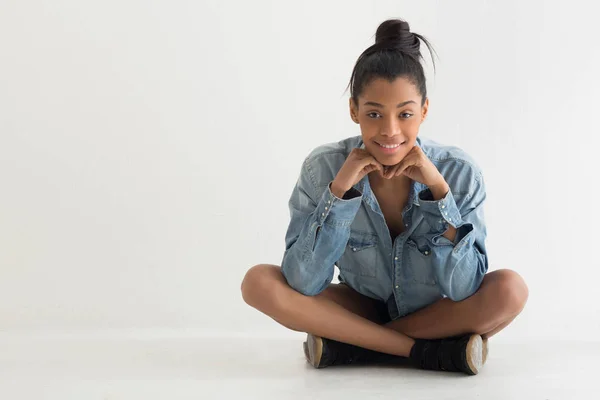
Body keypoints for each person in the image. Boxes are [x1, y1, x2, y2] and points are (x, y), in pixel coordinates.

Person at [241, 18, 528, 376]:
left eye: (405, 114)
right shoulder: (323, 167)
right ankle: (422, 352)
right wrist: (339, 192)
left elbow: (464, 288)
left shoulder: (459, 172)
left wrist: (439, 193)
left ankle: (348, 345)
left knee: (510, 291)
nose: (390, 130)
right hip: (359, 305)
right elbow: (303, 281)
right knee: (259, 283)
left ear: (424, 110)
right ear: (353, 111)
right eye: (374, 113)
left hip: (435, 313)